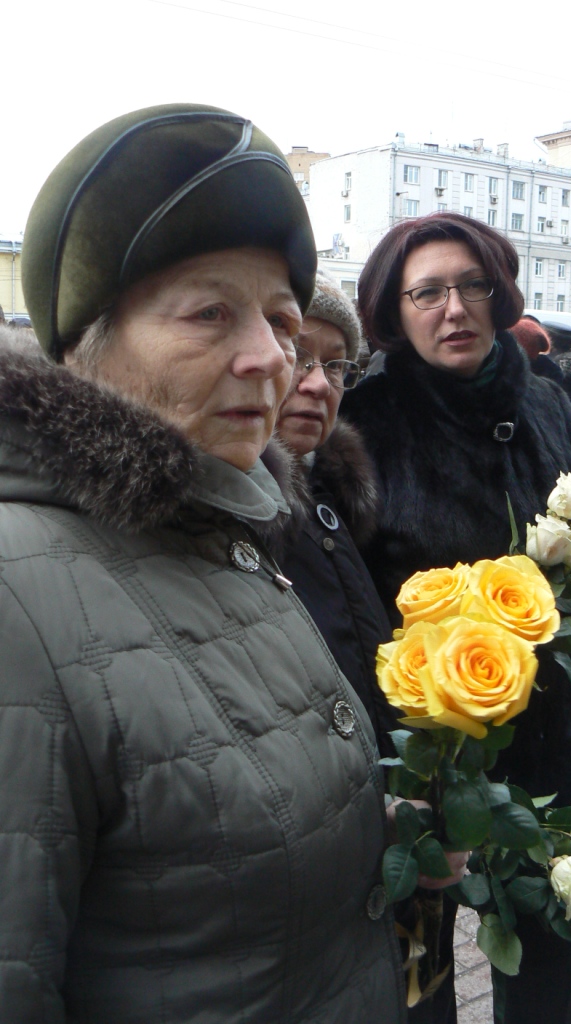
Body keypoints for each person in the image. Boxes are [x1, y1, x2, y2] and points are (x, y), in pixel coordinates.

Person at [0, 103, 407, 1023]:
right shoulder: (15, 596)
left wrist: (369, 838)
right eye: (210, 313)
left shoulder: (235, 532)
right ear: (86, 342)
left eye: (280, 318)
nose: (271, 360)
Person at [343, 214, 571, 1024]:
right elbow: (350, 607)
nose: (455, 309)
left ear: (500, 293)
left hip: (559, 747)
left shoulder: (548, 403)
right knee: (419, 978)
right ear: (394, 311)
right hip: (432, 760)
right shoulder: (367, 423)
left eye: (472, 285)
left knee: (568, 950)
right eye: (428, 292)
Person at [276, 272, 400, 751]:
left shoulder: (336, 493)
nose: (317, 384)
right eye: (299, 355)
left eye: (334, 365)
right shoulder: (231, 511)